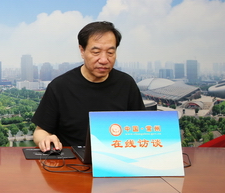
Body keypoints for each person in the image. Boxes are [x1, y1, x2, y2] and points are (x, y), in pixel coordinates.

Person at [32, 21, 145, 152]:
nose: (104, 60)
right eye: (96, 52)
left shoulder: (126, 83)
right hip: (72, 160)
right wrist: (46, 139)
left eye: (110, 52)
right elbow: (40, 131)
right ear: (82, 50)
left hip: (117, 156)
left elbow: (142, 126)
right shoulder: (60, 86)